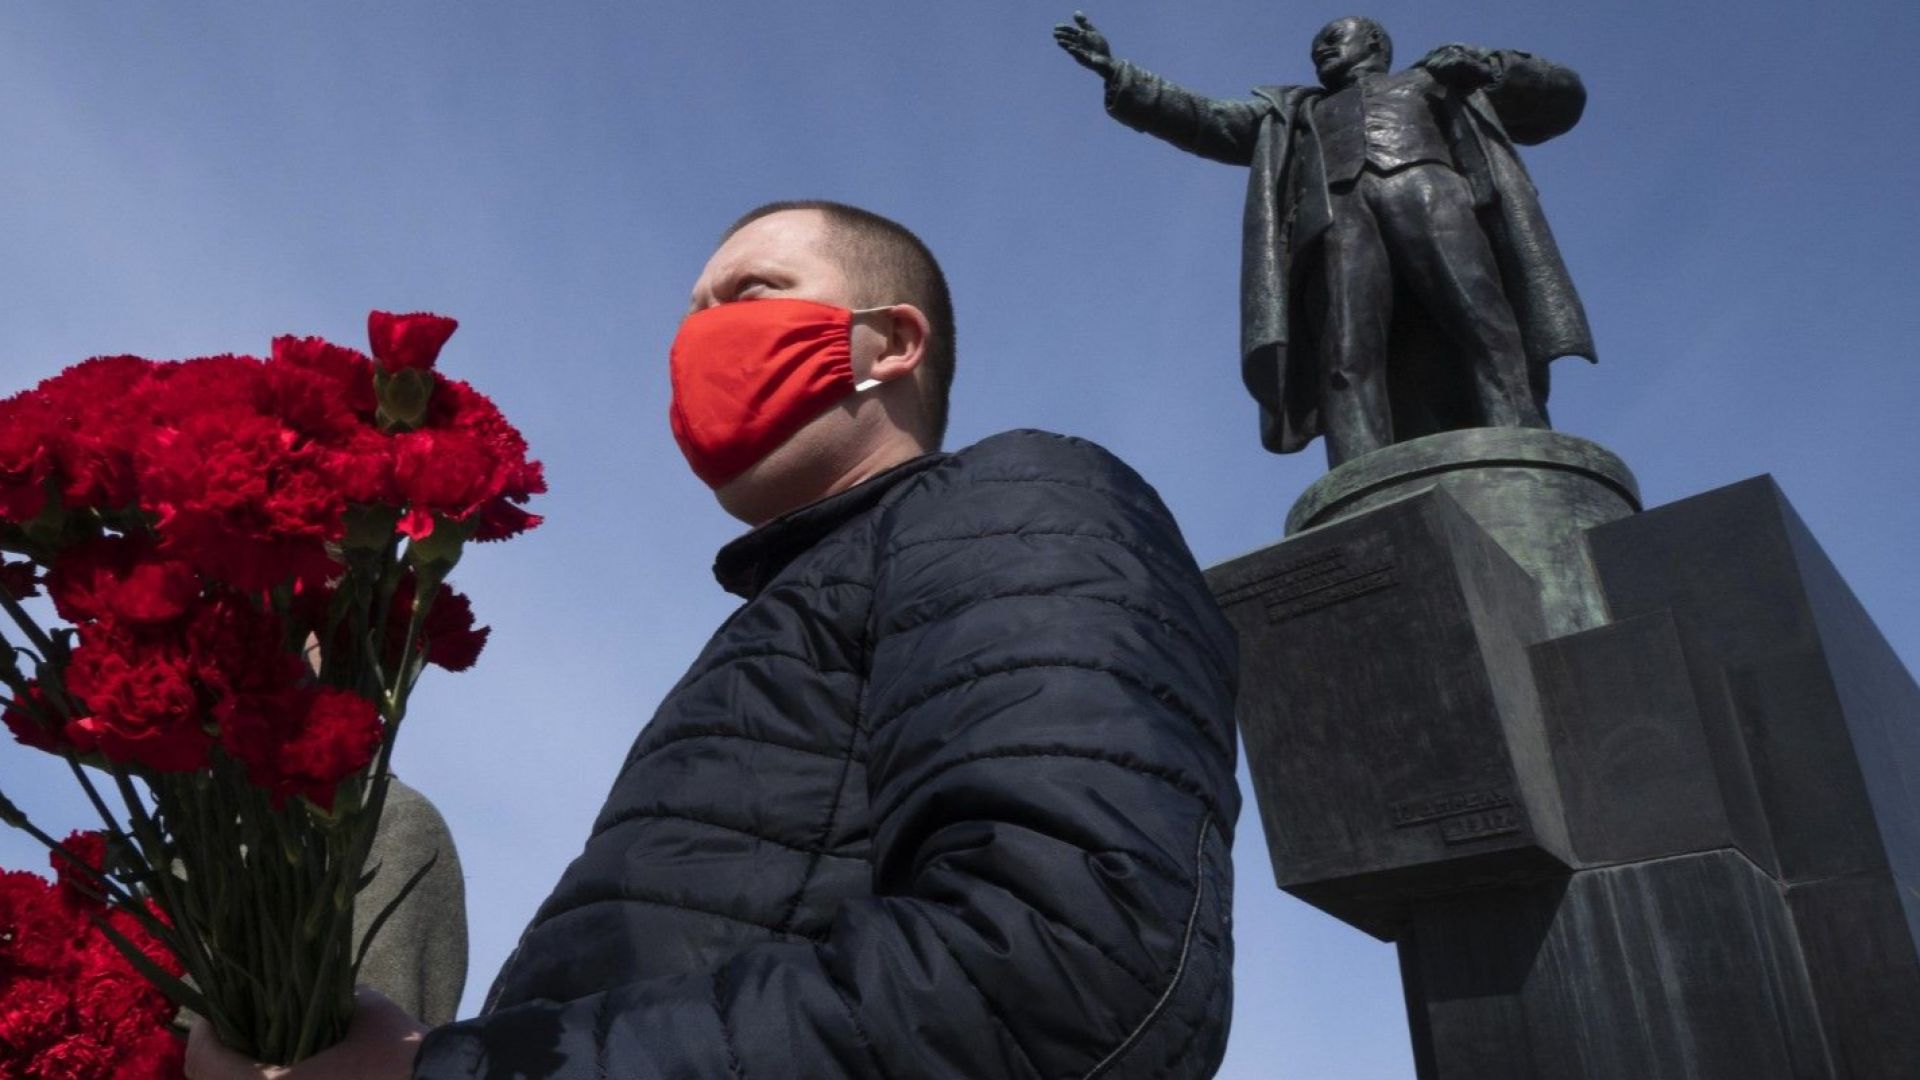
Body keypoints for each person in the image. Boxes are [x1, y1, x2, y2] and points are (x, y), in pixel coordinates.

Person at [187, 201, 1241, 1079]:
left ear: (890, 343)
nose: (699, 339)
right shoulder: (797, 607)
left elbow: (1068, 970)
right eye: (690, 313)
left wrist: (446, 1072)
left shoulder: (1016, 497)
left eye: (748, 294)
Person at [1054, 13, 1596, 466]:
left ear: (1374, 42)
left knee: (1481, 320)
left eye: (1333, 38)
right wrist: (1120, 73)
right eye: (1315, 47)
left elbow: (1562, 97)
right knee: (1345, 352)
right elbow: (1207, 119)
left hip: (1431, 190)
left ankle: (1524, 448)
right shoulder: (1294, 113)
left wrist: (1489, 67)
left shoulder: (1431, 80)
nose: (1321, 51)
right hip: (1336, 219)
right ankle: (1362, 476)